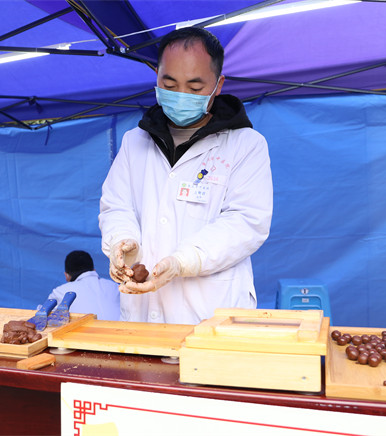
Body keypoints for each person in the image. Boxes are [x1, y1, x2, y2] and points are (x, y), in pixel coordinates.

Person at [98, 27, 273, 324]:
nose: (180, 96)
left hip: (211, 313)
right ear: (157, 77)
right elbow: (116, 206)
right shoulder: (134, 142)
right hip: (142, 315)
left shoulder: (245, 145)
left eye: (194, 88)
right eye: (169, 84)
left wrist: (183, 261)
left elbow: (246, 221)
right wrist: (123, 242)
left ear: (218, 85)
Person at [46, 250, 121, 321]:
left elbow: (43, 318)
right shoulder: (116, 287)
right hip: (121, 329)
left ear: (66, 276)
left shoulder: (60, 292)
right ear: (94, 270)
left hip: (84, 330)